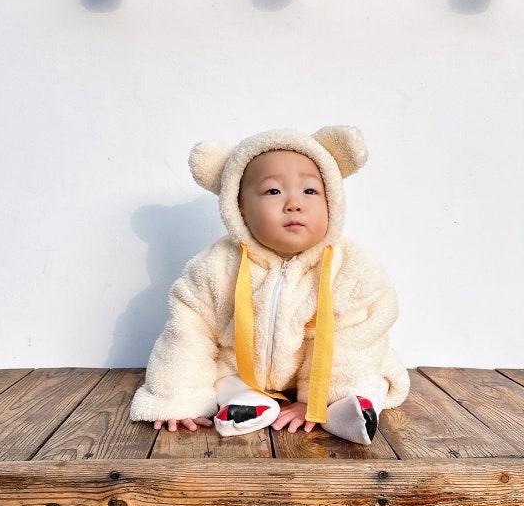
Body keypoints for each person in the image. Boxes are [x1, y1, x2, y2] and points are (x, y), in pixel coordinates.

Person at [130, 126, 409, 444]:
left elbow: (359, 337)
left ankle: (349, 407)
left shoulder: (352, 268)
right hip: (245, 371)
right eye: (273, 191)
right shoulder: (216, 266)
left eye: (310, 191)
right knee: (224, 380)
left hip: (338, 372)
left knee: (372, 375)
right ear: (239, 210)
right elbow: (189, 329)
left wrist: (315, 400)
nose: (294, 204)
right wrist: (178, 398)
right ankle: (248, 403)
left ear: (332, 199)